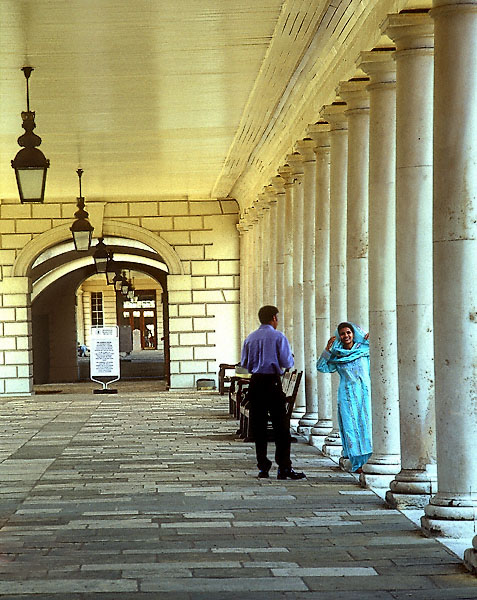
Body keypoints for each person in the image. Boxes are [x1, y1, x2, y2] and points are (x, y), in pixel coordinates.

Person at [241, 305, 306, 480]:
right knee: (281, 428)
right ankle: (284, 467)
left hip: (255, 384)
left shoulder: (250, 338)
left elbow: (245, 364)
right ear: (274, 318)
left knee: (259, 428)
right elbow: (287, 362)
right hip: (272, 383)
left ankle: (263, 467)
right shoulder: (279, 337)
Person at [316, 322, 372, 473]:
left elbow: (383, 354)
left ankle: (370, 460)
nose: (346, 336)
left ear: (353, 334)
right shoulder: (337, 353)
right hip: (347, 396)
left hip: (365, 395)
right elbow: (321, 367)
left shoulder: (364, 350)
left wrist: (373, 338)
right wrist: (327, 349)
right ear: (339, 336)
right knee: (351, 428)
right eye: (342, 333)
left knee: (366, 426)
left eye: (348, 332)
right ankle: (357, 463)